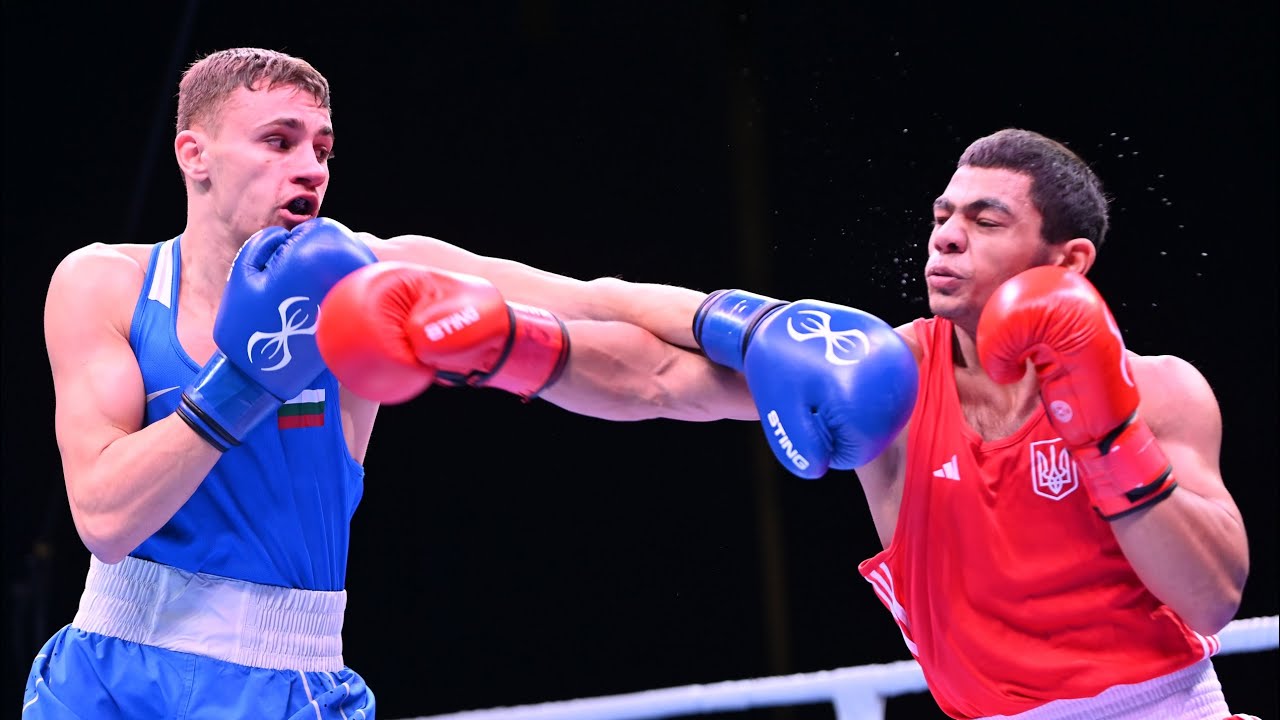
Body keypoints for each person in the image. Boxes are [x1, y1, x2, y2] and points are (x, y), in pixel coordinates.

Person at [23, 46, 802, 719]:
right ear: (195, 154)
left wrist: (765, 333)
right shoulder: (106, 284)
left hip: (281, 682)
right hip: (105, 673)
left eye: (323, 149)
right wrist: (248, 378)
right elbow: (105, 519)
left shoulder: (367, 277)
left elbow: (602, 309)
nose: (310, 168)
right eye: (278, 141)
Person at [687, 128, 1255, 719]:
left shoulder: (1159, 388)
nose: (947, 237)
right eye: (942, 217)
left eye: (985, 222)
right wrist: (612, 305)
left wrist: (1110, 438)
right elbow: (660, 378)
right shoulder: (888, 375)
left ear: (1068, 260)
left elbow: (1212, 600)